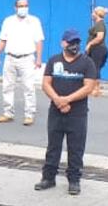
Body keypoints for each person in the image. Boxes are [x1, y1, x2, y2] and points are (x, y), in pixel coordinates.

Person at [36, 29, 98, 195]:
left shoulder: (86, 62)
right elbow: (46, 84)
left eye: (77, 43)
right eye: (70, 43)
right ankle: (48, 177)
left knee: (76, 147)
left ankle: (74, 179)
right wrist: (58, 100)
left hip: (77, 113)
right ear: (63, 43)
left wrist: (67, 100)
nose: (74, 46)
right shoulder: (54, 60)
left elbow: (89, 87)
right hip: (56, 111)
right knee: (53, 146)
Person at [0, 0, 45, 126]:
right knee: (7, 86)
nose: (23, 8)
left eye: (26, 5)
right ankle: (8, 113)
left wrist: (39, 58)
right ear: (15, 7)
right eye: (21, 6)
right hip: (10, 57)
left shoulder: (34, 21)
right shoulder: (8, 21)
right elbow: (2, 39)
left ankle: (29, 115)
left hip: (27, 58)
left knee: (28, 87)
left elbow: (39, 40)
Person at [85, 6, 108, 96]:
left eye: (93, 13)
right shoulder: (97, 24)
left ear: (97, 14)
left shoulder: (100, 24)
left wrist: (89, 44)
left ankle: (96, 89)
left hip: (98, 49)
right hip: (95, 49)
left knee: (95, 67)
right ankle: (91, 88)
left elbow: (99, 37)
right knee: (92, 67)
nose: (92, 14)